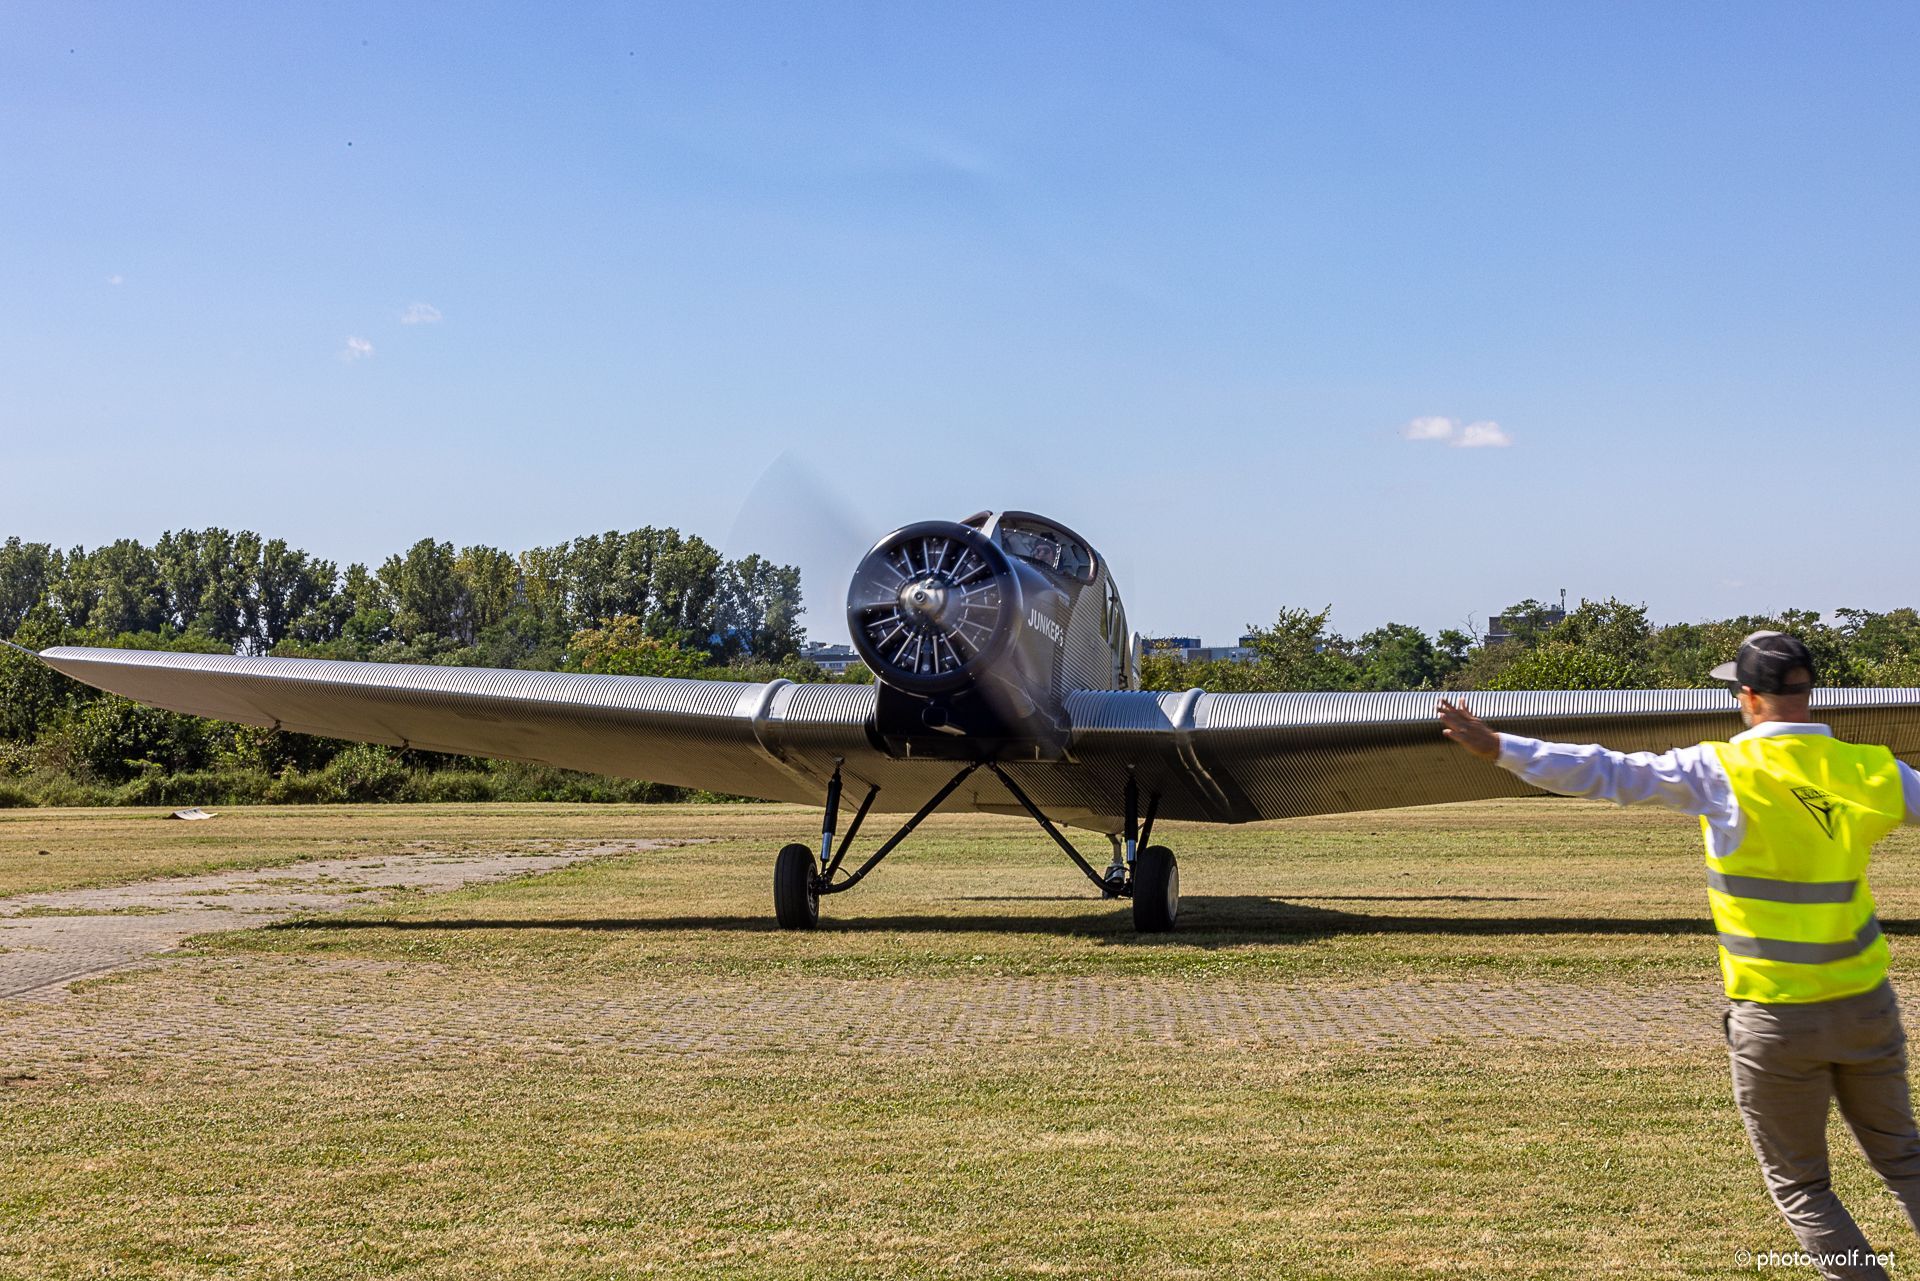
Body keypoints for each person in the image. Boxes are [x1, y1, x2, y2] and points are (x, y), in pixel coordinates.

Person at [1437, 631, 1920, 1281]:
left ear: (1748, 696)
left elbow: (1608, 771)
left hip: (1774, 1016)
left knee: (1804, 1187)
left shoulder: (1721, 770)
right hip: (1865, 1008)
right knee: (1906, 1162)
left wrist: (1499, 746)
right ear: (1809, 691)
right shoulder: (1873, 770)